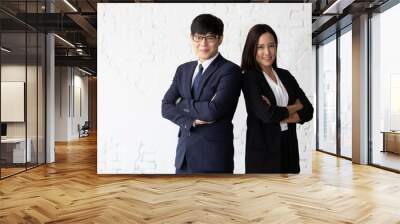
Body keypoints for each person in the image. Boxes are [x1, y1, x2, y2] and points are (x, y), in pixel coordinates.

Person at [161, 14, 242, 174]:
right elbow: (165, 107)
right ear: (191, 38)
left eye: (210, 37)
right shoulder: (183, 70)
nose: (203, 43)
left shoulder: (230, 71)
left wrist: (182, 103)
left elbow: (213, 111)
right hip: (183, 158)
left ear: (220, 39)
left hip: (214, 158)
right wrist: (190, 122)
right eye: (198, 37)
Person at [241, 24, 313, 173]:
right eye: (260, 47)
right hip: (263, 152)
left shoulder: (285, 75)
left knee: (288, 195)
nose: (267, 52)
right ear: (252, 49)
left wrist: (278, 114)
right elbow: (267, 114)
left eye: (271, 46)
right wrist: (296, 107)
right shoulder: (249, 77)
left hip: (289, 147)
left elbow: (309, 110)